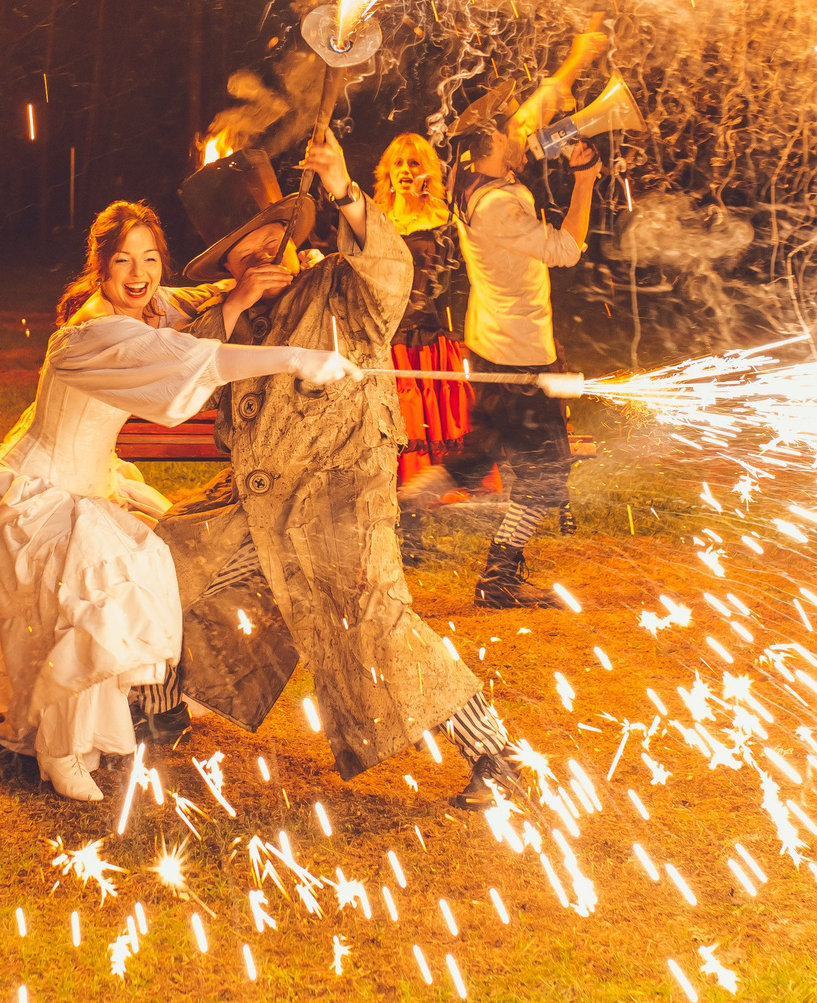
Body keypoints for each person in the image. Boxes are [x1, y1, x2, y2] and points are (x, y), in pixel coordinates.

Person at [156, 135, 529, 808]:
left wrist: (345, 188)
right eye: (247, 247)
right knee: (167, 563)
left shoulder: (339, 286)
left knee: (377, 628)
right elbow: (183, 367)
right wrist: (235, 305)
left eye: (271, 236)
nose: (264, 253)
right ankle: (161, 711)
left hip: (339, 499)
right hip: (257, 503)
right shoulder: (233, 311)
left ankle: (494, 753)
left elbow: (392, 275)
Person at [0, 201, 354, 801]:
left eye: (151, 259)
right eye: (124, 261)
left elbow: (198, 297)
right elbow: (194, 358)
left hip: (91, 482)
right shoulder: (94, 331)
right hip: (38, 494)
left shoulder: (149, 303)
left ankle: (92, 729)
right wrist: (299, 359)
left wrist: (284, 269)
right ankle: (60, 749)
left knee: (126, 586)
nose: (140, 274)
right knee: (111, 593)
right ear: (100, 268)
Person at [402, 114, 601, 607]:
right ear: (489, 148)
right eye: (509, 135)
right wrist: (585, 181)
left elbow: (530, 120)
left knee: (477, 457)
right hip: (519, 358)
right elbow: (567, 250)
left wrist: (576, 61)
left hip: (497, 346)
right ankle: (499, 580)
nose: (524, 136)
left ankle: (404, 504)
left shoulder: (475, 181)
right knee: (547, 472)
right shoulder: (496, 207)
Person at [372, 133, 471, 523]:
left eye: (414, 164)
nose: (405, 172)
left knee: (422, 425)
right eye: (398, 164)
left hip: (425, 338)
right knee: (391, 426)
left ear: (427, 171)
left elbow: (455, 280)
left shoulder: (443, 222)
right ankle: (389, 513)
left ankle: (420, 516)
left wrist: (432, 203)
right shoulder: (375, 220)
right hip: (384, 337)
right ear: (388, 173)